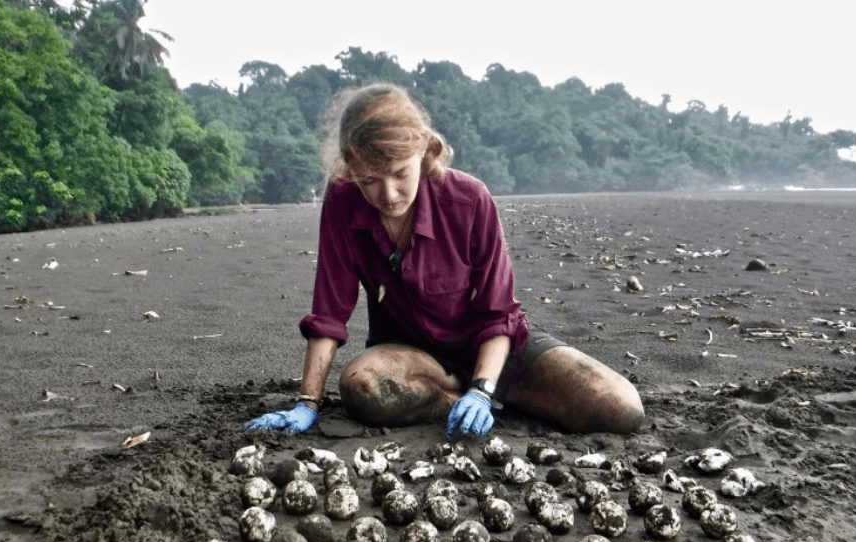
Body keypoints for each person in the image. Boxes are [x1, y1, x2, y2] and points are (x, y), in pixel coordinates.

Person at [246, 82, 644, 438]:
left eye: (400, 173)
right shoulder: (342, 198)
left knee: (620, 408)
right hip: (411, 357)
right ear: (351, 167)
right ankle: (457, 398)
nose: (388, 194)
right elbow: (329, 312)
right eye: (369, 180)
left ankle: (488, 395)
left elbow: (498, 314)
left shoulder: (470, 200)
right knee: (361, 384)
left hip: (496, 350)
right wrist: (307, 403)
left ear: (423, 150)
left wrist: (482, 389)